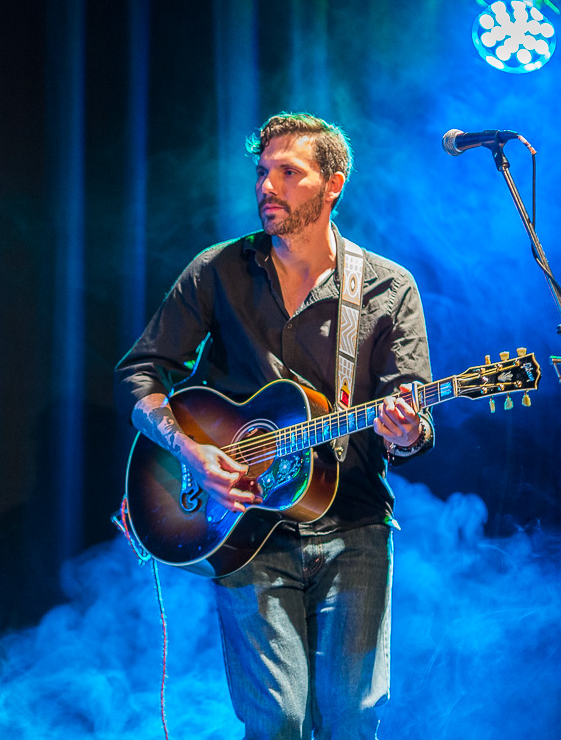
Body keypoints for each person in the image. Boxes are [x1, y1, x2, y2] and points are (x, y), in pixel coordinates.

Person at [115, 112, 433, 739]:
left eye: (290, 172)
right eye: (263, 172)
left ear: (332, 184)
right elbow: (141, 375)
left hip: (355, 527)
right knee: (277, 720)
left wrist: (406, 432)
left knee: (351, 717)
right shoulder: (218, 271)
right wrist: (192, 451)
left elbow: (413, 420)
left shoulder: (386, 288)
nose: (268, 186)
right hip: (245, 529)